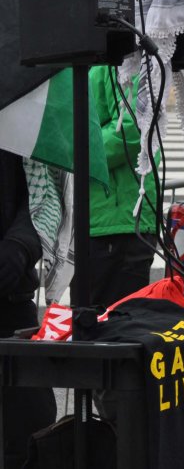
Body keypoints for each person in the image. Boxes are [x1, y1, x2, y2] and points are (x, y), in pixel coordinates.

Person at [88, 65, 160, 307]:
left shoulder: (122, 62)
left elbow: (133, 127)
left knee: (116, 325)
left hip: (120, 223)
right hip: (100, 221)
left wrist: (74, 151)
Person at [0, 150, 56, 465]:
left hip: (10, 299)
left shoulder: (14, 103)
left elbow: (42, 192)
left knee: (31, 431)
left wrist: (19, 246)